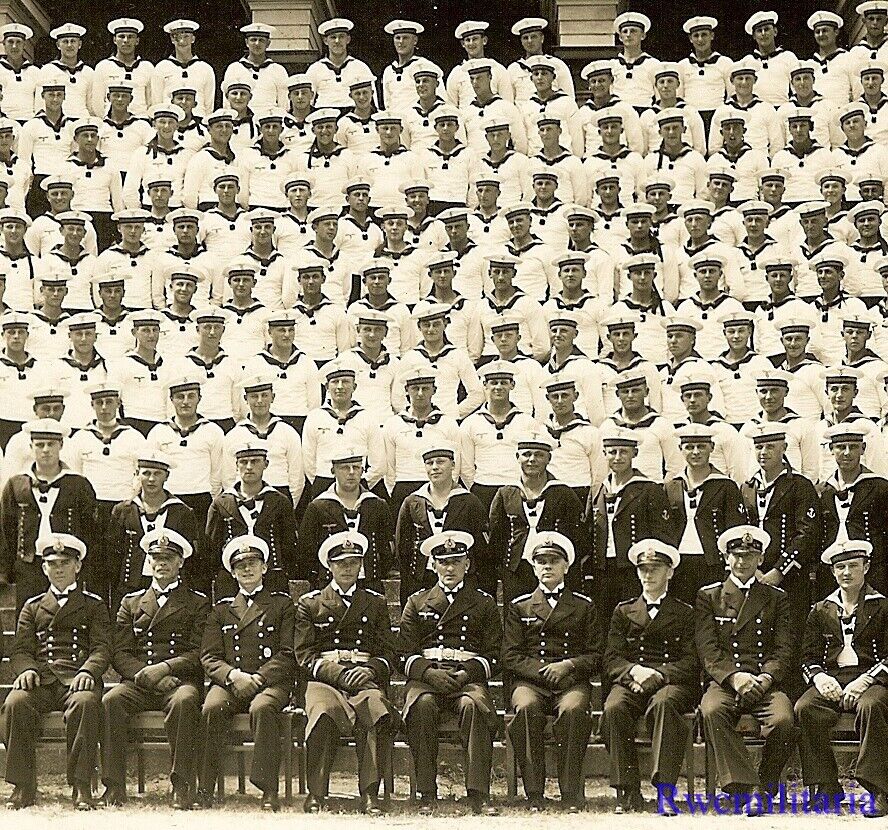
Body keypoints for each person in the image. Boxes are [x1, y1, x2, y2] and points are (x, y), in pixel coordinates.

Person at [101, 529, 210, 809]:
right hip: (140, 682)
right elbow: (120, 652)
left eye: (169, 558)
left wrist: (164, 668)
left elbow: (200, 651)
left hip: (179, 681)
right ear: (148, 562)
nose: (162, 564)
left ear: (180, 562)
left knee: (185, 701)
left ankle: (181, 785)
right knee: (111, 700)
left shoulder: (197, 602)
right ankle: (114, 786)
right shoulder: (131, 602)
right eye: (156, 558)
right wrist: (147, 676)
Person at [294, 530, 400, 815]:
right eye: (340, 563)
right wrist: (339, 674)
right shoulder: (311, 603)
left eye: (353, 562)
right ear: (329, 566)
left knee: (375, 710)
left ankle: (370, 794)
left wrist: (370, 669)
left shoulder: (374, 602)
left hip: (363, 677)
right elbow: (304, 655)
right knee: (323, 713)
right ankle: (316, 793)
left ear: (361, 565)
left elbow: (388, 652)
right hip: (325, 679)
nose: (347, 568)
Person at [2, 533, 110, 810]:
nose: (58, 569)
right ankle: (23, 785)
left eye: (65, 563)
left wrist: (88, 671)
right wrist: (26, 669)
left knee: (85, 703)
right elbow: (21, 649)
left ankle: (81, 786)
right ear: (44, 568)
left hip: (77, 678)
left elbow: (101, 647)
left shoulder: (93, 605)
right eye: (52, 563)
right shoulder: (32, 606)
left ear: (78, 566)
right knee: (15, 702)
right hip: (43, 680)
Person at [398, 530, 502, 816]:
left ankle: (478, 793)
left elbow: (495, 654)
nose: (449, 568)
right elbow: (403, 652)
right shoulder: (417, 602)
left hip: (465, 679)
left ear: (467, 564)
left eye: (456, 561)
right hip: (427, 678)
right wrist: (428, 673)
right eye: (443, 562)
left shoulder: (483, 602)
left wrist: (467, 672)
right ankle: (426, 792)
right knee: (422, 705)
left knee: (474, 706)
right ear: (433, 565)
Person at [695, 525, 796, 812]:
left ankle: (763, 784)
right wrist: (735, 677)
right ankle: (748, 787)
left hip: (764, 681)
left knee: (784, 720)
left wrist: (766, 677)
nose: (742, 562)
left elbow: (784, 648)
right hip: (726, 681)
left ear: (760, 559)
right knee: (712, 711)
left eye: (749, 556)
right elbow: (708, 649)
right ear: (726, 558)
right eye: (736, 555)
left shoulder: (776, 597)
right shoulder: (709, 596)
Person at [197, 534, 296, 811]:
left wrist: (259, 678)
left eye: (253, 563)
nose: (247, 569)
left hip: (270, 681)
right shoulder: (221, 610)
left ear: (264, 567)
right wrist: (233, 676)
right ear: (232, 572)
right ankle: (205, 787)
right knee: (211, 707)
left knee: (263, 708)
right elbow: (209, 656)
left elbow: (288, 653)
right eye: (240, 566)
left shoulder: (281, 605)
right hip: (231, 682)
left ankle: (268, 789)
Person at [600, 539, 699, 816]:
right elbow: (611, 658)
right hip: (632, 679)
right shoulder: (624, 611)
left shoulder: (685, 613)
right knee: (614, 707)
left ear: (670, 572)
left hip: (670, 682)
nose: (648, 575)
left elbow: (691, 661)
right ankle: (627, 789)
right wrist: (634, 671)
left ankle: (665, 790)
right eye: (643, 569)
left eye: (655, 569)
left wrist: (658, 674)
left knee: (664, 705)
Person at [503, 531, 599, 813]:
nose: (547, 567)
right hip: (531, 681)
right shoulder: (519, 606)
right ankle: (534, 793)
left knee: (573, 710)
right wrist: (542, 671)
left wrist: (568, 665)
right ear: (533, 567)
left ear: (566, 566)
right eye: (541, 561)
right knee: (525, 708)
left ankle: (570, 793)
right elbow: (510, 655)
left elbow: (596, 654)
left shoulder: (583, 606)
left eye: (554, 561)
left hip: (571, 681)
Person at [795, 539, 888, 816]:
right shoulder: (820, 609)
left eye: (853, 566)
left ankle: (878, 789)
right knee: (805, 707)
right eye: (840, 567)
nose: (847, 572)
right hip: (833, 678)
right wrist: (820, 678)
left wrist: (867, 680)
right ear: (833, 572)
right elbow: (808, 657)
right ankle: (826, 786)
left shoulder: (883, 606)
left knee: (871, 706)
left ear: (866, 567)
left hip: (872, 679)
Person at [0, 419, 97, 615]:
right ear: (31, 447)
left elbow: (90, 531)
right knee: (28, 617)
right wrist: (5, 570)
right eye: (40, 445)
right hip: (28, 566)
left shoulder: (79, 485)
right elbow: (6, 529)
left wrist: (84, 568)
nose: (45, 450)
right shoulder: (15, 484)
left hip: (66, 564)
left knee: (67, 615)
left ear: (61, 445)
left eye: (51, 444)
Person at [586, 429, 672, 634]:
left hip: (633, 568)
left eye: (623, 452)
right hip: (603, 569)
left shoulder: (649, 489)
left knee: (633, 619)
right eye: (612, 452)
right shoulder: (597, 489)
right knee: (603, 620)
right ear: (604, 454)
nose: (618, 457)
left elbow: (662, 533)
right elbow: (590, 531)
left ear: (635, 453)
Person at [488, 430, 585, 603]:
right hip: (516, 570)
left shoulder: (564, 493)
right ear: (517, 457)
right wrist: (504, 568)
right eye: (526, 454)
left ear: (549, 458)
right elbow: (497, 537)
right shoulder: (506, 493)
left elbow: (577, 537)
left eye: (539, 455)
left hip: (552, 567)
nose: (532, 459)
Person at [395, 443, 487, 605]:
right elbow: (402, 546)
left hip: (459, 578)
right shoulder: (412, 501)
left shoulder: (470, 501)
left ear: (453, 465)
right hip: (422, 578)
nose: (435, 467)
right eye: (429, 463)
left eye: (440, 462)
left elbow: (480, 549)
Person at [107, 451, 198, 609]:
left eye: (157, 474)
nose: (151, 479)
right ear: (137, 474)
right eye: (146, 473)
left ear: (166, 476)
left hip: (170, 583)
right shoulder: (123, 510)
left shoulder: (182, 512)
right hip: (131, 584)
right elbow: (113, 555)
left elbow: (191, 557)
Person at [207, 439, 296, 599]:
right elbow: (212, 547)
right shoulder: (221, 503)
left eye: (255, 461)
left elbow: (288, 545)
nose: (249, 467)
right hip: (232, 579)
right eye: (243, 462)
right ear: (236, 465)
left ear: (266, 464)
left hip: (271, 578)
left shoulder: (280, 501)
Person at [297, 446, 392, 591]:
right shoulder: (317, 507)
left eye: (356, 467)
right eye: (345, 468)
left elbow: (386, 550)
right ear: (333, 471)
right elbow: (305, 552)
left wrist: (372, 573)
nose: (351, 472)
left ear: (362, 470)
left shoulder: (377, 505)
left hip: (368, 585)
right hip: (328, 585)